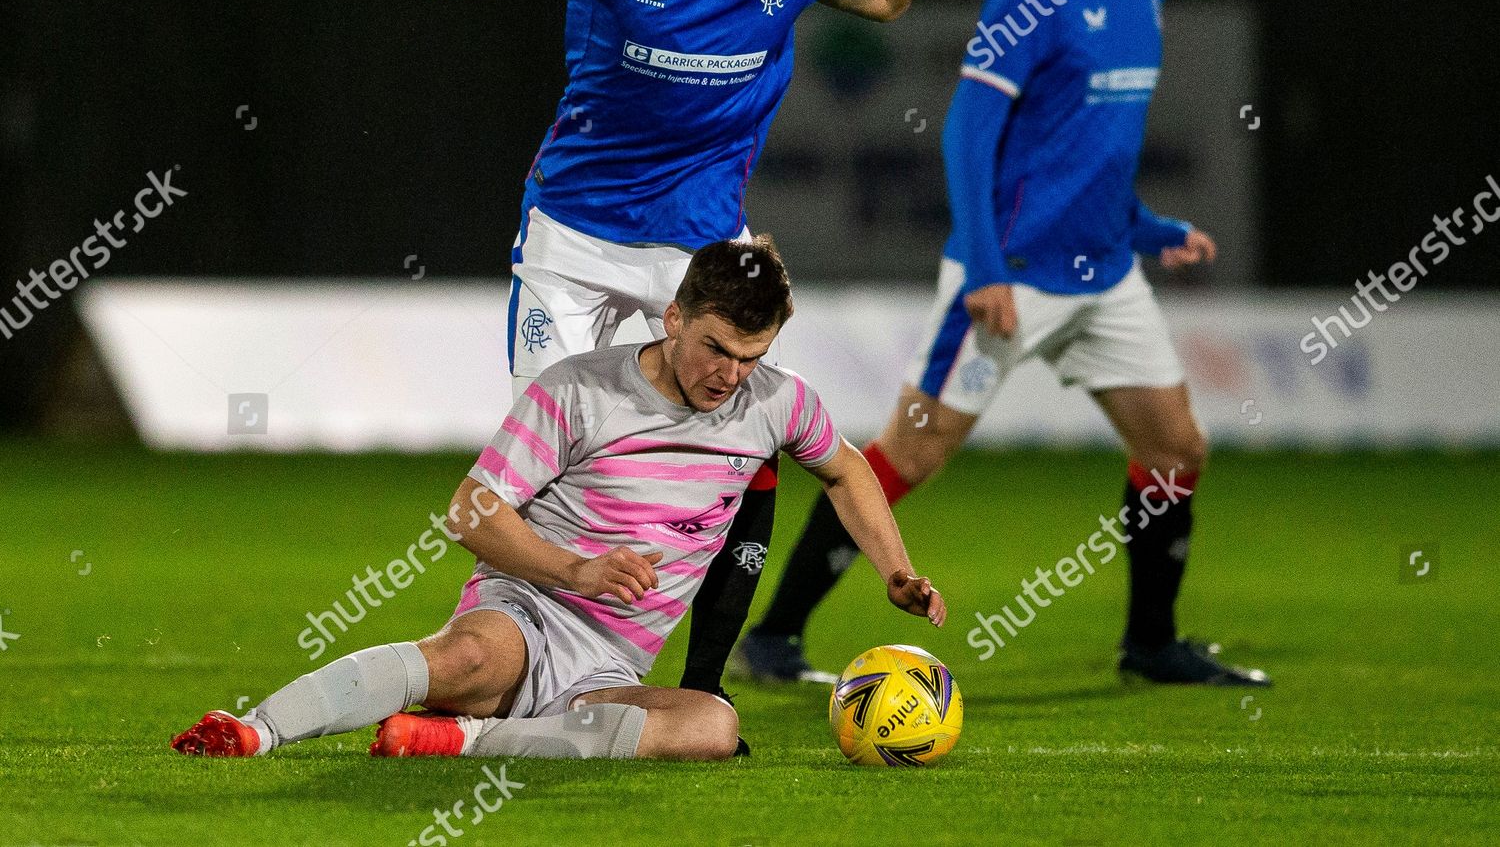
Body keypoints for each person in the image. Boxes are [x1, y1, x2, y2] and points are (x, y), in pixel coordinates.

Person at [408, 0, 944, 711]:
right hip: (577, 241)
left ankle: (703, 691)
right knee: (567, 461)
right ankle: (500, 665)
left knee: (755, 444)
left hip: (702, 248)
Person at [739, 0, 1269, 687]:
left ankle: (1149, 646)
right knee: (907, 454)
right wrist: (984, 266)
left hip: (1106, 277)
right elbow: (968, 128)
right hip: (1010, 275)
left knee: (1176, 448)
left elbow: (1092, 146)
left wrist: (1147, 229)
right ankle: (774, 635)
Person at [171, 237, 945, 761]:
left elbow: (847, 470)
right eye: (715, 347)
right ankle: (255, 729)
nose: (730, 375)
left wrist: (895, 570)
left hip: (611, 664)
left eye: (752, 357)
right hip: (531, 610)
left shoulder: (777, 402)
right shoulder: (579, 390)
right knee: (467, 656)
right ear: (674, 318)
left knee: (712, 726)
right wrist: (574, 571)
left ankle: (464, 742)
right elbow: (470, 510)